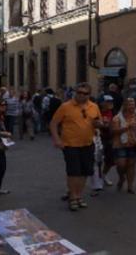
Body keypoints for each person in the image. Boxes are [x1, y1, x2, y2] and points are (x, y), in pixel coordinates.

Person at [50, 83, 103, 211]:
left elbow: (98, 122)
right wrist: (57, 139)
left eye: (85, 93)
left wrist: (99, 124)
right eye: (79, 92)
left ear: (89, 94)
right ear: (75, 92)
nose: (82, 95)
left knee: (85, 172)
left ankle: (79, 196)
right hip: (70, 144)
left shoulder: (94, 106)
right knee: (74, 172)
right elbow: (53, 123)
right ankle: (73, 197)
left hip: (88, 144)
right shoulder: (65, 106)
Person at [110, 95, 136, 195]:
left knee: (131, 165)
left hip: (134, 143)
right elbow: (113, 131)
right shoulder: (117, 118)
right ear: (124, 106)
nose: (132, 106)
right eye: (129, 104)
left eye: (133, 104)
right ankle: (121, 178)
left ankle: (130, 186)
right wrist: (127, 127)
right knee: (121, 164)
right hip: (120, 144)